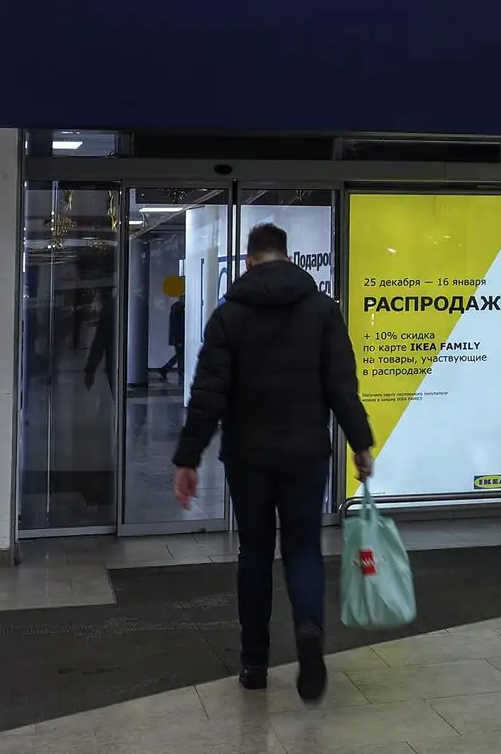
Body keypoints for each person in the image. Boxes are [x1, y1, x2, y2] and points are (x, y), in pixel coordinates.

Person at [172, 222, 375, 702]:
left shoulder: (228, 316)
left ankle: (254, 663)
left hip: (248, 456)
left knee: (255, 553)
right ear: (288, 256)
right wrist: (360, 443)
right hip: (306, 453)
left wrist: (188, 458)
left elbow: (208, 393)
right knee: (303, 549)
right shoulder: (322, 310)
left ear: (248, 261)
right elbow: (341, 385)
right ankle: (308, 629)